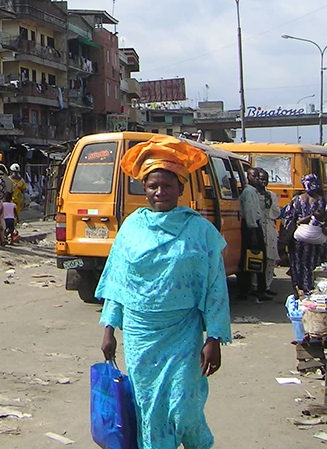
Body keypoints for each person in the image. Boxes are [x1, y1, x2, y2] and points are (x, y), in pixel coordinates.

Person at [96, 136, 231, 449]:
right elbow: (118, 281)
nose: (159, 192)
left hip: (184, 332)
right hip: (141, 334)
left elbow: (215, 287)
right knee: (149, 406)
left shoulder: (200, 231)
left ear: (181, 188)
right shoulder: (131, 228)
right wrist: (108, 329)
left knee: (185, 405)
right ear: (144, 188)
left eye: (167, 186)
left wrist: (214, 337)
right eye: (152, 186)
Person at [284, 174, 327, 295]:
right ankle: (312, 290)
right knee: (314, 265)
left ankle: (299, 291)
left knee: (298, 265)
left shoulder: (296, 200)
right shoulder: (322, 201)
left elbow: (289, 220)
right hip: (317, 240)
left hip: (299, 240)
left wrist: (287, 239)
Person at [238, 167, 278, 301]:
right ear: (248, 177)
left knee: (259, 259)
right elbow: (250, 214)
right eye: (254, 177)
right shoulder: (249, 192)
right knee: (256, 258)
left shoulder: (257, 192)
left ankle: (258, 288)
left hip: (257, 226)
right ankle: (255, 290)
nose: (257, 179)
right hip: (252, 227)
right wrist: (254, 231)